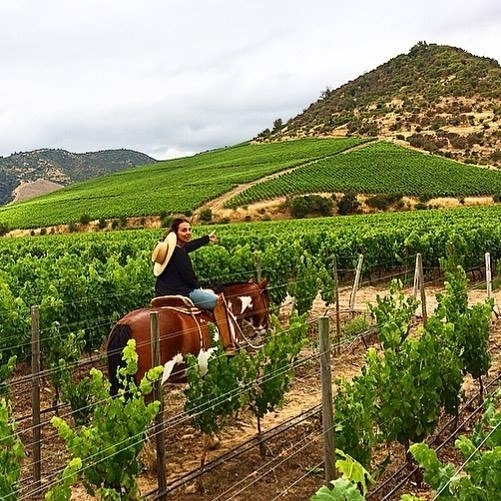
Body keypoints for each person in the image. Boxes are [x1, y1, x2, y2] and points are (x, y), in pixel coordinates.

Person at [151, 217, 237, 355]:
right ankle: (228, 346)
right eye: (184, 230)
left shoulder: (170, 251)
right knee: (219, 301)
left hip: (162, 295)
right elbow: (190, 278)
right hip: (183, 293)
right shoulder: (180, 253)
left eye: (189, 229)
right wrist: (199, 287)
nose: (188, 232)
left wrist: (206, 239)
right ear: (176, 233)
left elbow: (188, 246)